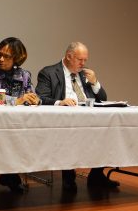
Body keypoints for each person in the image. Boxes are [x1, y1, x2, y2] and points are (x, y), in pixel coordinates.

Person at [35, 41, 119, 192]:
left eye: (85, 60)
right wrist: (60, 102)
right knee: (69, 134)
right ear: (69, 56)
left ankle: (97, 175)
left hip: (88, 118)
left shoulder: (84, 74)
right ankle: (68, 177)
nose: (83, 63)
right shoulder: (48, 73)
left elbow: (103, 99)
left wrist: (95, 82)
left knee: (107, 131)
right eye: (80, 60)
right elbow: (40, 97)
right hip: (63, 121)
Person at [0, 37, 40, 193]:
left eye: (6, 56)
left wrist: (35, 99)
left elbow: (32, 95)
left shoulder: (25, 74)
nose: (1, 59)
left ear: (17, 58)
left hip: (18, 124)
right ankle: (10, 174)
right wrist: (18, 100)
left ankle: (10, 174)